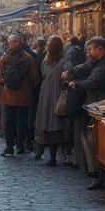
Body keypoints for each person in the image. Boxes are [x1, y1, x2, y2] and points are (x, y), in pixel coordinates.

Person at [67, 37, 105, 187]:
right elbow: (85, 67)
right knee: (89, 138)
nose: (88, 53)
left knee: (96, 141)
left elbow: (94, 81)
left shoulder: (104, 65)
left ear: (100, 49)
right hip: (93, 105)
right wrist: (71, 71)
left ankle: (99, 174)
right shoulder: (95, 62)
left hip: (99, 106)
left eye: (91, 49)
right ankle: (95, 172)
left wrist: (76, 84)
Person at [0, 33, 40, 157]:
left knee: (9, 121)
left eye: (12, 42)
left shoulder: (5, 57)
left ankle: (9, 146)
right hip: (24, 95)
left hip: (8, 94)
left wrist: (2, 82)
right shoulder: (28, 57)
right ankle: (20, 144)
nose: (11, 44)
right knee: (21, 121)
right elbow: (34, 77)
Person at [34, 36, 73, 166]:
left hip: (56, 95)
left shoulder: (64, 62)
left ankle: (55, 155)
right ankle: (47, 153)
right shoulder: (46, 62)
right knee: (47, 123)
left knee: (56, 124)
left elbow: (69, 77)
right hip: (46, 95)